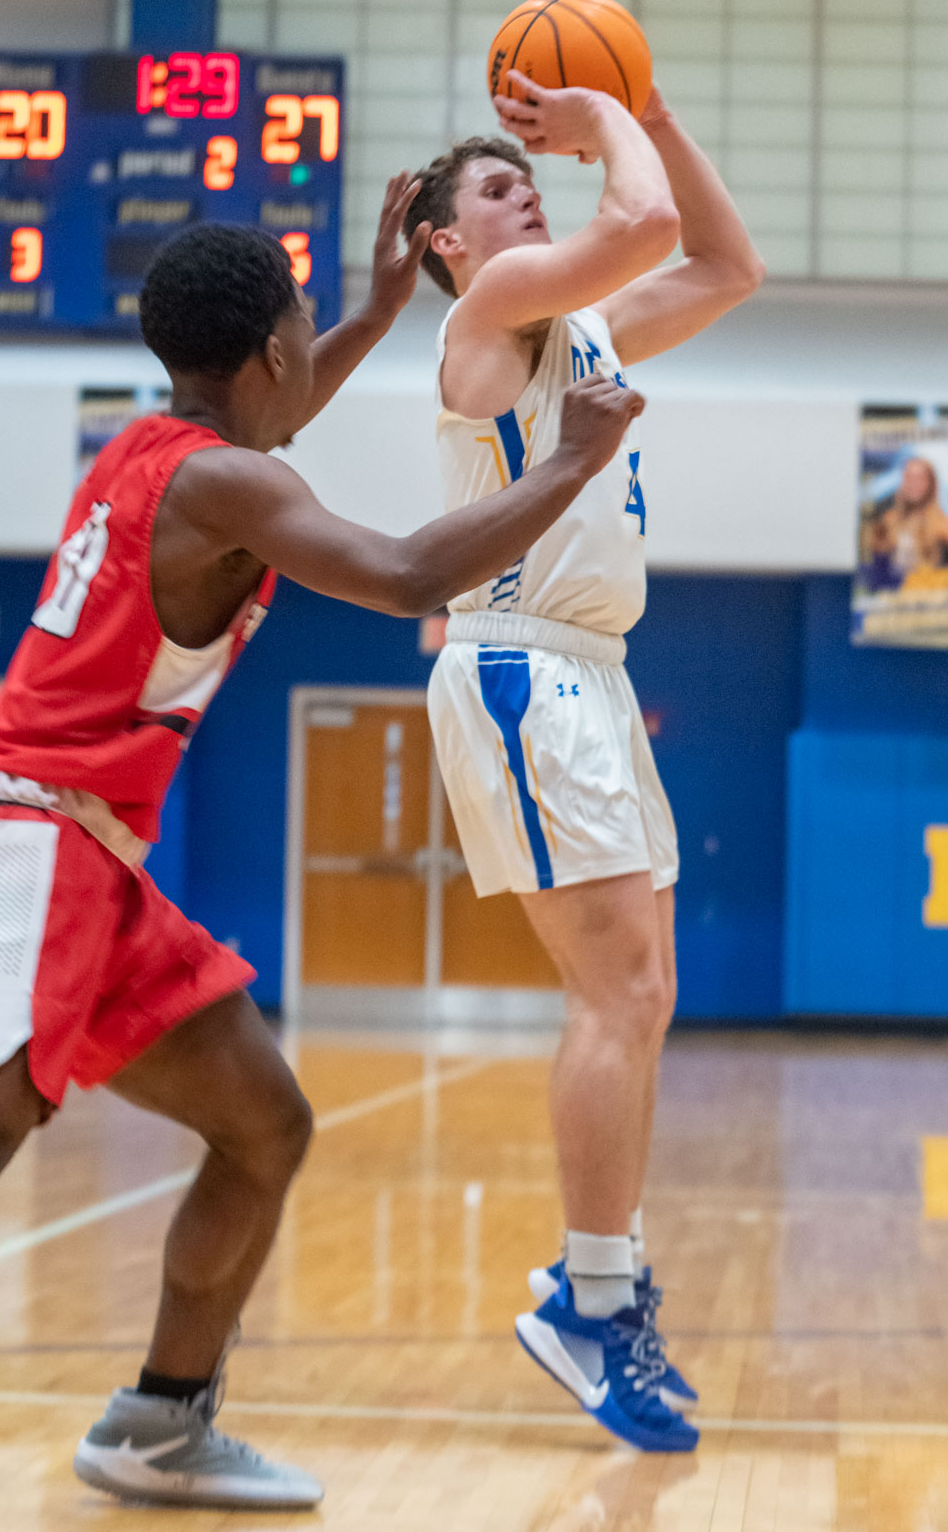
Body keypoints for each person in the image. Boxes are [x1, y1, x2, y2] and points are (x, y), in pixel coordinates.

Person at [0, 177, 643, 1510]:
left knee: (263, 1124)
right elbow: (405, 575)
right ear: (273, 350)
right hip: (31, 841)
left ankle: (162, 1422)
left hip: (88, 856)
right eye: (303, 330)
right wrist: (569, 462)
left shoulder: (160, 451)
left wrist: (381, 312)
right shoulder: (228, 481)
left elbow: (277, 412)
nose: (308, 354)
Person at [403, 72, 764, 1450]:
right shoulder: (490, 311)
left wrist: (653, 110)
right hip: (524, 664)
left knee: (645, 995)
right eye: (500, 189)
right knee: (616, 993)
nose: (527, 196)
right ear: (449, 242)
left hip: (593, 674)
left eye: (529, 179)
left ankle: (597, 1278)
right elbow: (642, 224)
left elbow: (725, 264)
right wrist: (603, 116)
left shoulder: (586, 332)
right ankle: (591, 1301)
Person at [865, 455, 948, 590]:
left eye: (920, 478)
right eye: (909, 477)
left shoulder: (939, 522)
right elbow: (877, 562)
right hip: (894, 594)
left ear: (931, 484)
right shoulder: (890, 519)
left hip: (924, 596)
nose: (913, 483)